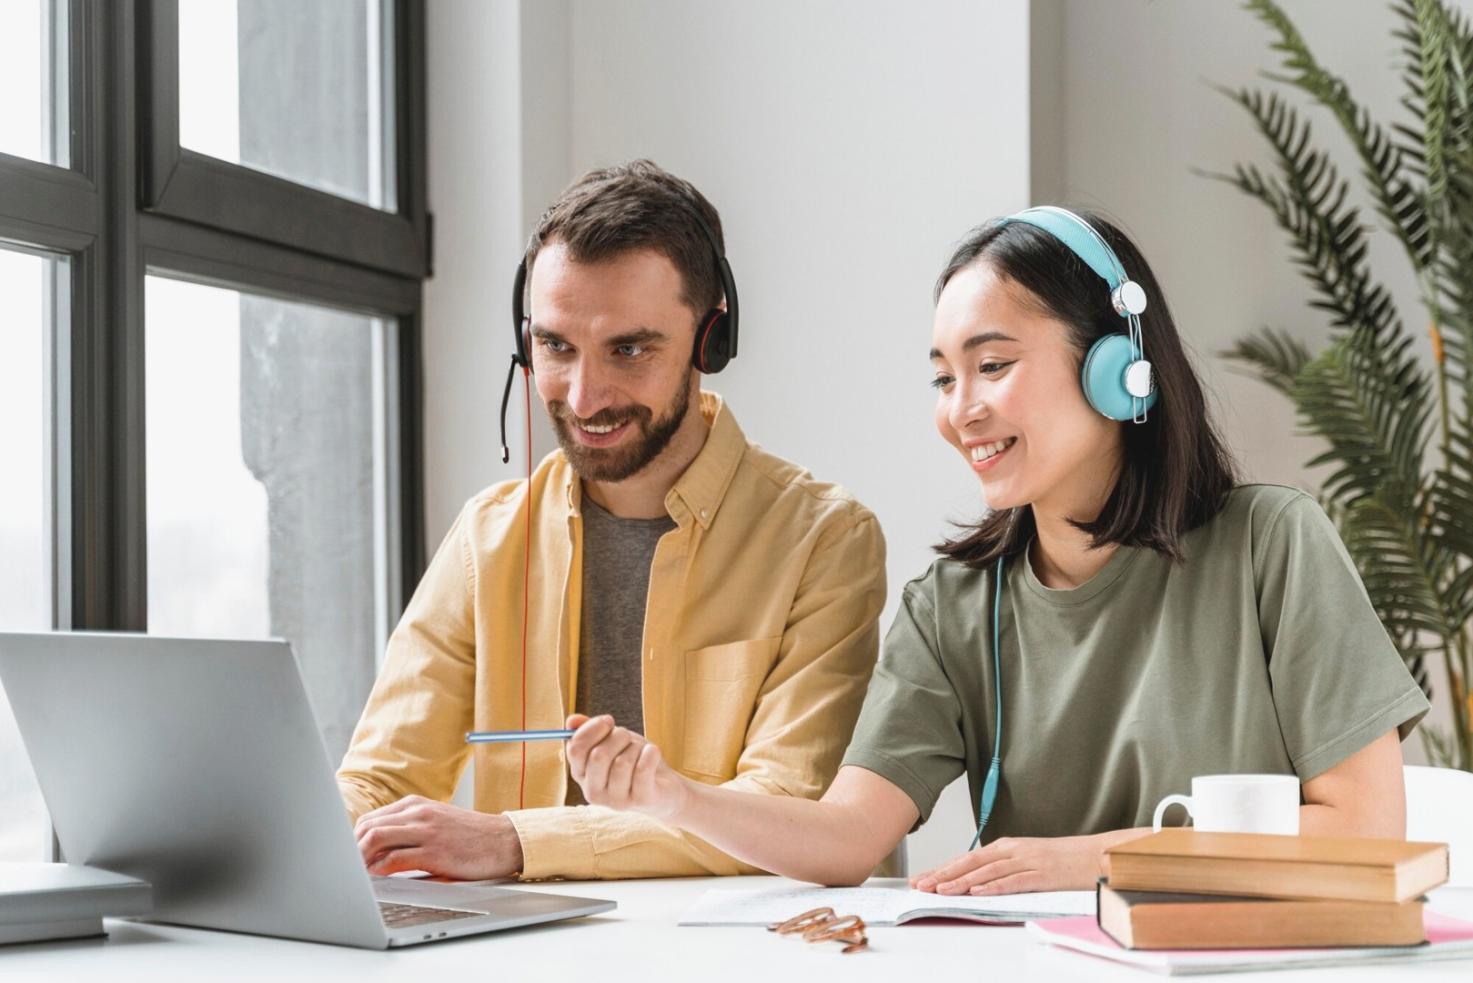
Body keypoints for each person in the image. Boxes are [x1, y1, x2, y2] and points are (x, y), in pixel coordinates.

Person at [560, 206, 1431, 894]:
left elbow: (1363, 826)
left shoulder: (1271, 544)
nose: (959, 409)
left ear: (1116, 367)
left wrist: (1089, 858)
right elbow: (848, 837)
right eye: (944, 376)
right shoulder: (951, 605)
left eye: (992, 365)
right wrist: (674, 796)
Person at [339, 160, 886, 881]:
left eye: (628, 350)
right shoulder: (489, 537)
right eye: (555, 347)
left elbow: (785, 809)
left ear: (709, 340)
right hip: (530, 938)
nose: (584, 397)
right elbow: (381, 778)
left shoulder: (825, 539)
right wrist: (288, 838)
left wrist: (514, 841)